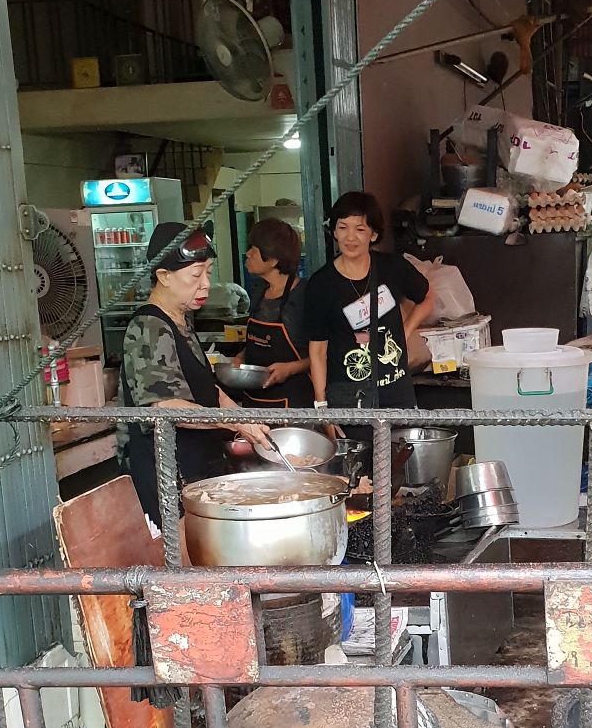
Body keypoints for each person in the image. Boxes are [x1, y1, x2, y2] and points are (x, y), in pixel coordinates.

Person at [120, 222, 270, 529]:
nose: (205, 284)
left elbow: (207, 390)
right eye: (195, 275)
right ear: (163, 277)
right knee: (186, 568)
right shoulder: (149, 327)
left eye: (209, 272)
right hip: (167, 474)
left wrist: (248, 419)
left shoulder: (181, 320)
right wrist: (237, 422)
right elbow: (164, 408)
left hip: (197, 466)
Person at [303, 191, 433, 425]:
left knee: (404, 459)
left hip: (397, 394)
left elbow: (427, 296)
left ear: (373, 234)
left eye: (360, 229)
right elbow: (318, 350)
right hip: (348, 400)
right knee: (358, 461)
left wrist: (405, 330)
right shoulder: (321, 284)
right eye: (343, 227)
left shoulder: (392, 267)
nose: (350, 237)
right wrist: (323, 410)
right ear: (334, 231)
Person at [236, 218, 313, 408]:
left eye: (253, 249)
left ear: (272, 259)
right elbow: (257, 343)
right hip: (254, 400)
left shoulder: (306, 295)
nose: (247, 254)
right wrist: (241, 357)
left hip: (293, 403)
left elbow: (326, 353)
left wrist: (290, 368)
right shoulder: (258, 291)